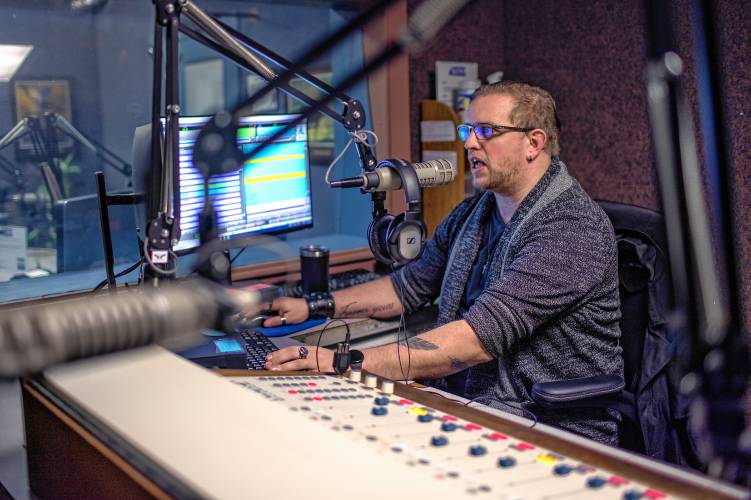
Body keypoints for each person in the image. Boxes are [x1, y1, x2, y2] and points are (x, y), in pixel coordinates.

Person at [262, 81, 623, 444]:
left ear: (534, 143)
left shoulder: (572, 228)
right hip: (469, 403)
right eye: (467, 130)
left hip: (548, 428)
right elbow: (408, 287)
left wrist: (340, 362)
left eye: (486, 131)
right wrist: (314, 305)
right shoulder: (473, 212)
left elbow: (478, 339)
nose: (468, 143)